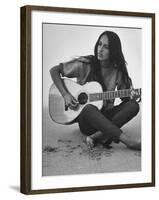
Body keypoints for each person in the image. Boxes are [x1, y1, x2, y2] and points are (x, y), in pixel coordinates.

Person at [50, 30, 141, 150]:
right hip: (87, 122)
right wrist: (65, 95)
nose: (100, 49)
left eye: (106, 47)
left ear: (113, 51)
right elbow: (54, 70)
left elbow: (126, 99)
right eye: (99, 44)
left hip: (107, 117)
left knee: (133, 106)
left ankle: (96, 136)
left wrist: (133, 95)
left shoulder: (117, 71)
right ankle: (128, 141)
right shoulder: (85, 64)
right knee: (88, 108)